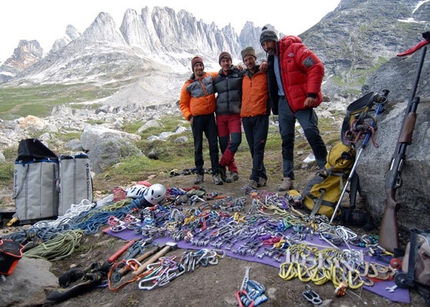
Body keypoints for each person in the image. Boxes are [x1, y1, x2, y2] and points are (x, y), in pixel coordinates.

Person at [260, 27, 327, 191]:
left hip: (302, 101)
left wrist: (312, 93)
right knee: (286, 139)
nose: (267, 46)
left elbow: (316, 66)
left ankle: (326, 168)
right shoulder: (270, 58)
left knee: (311, 132)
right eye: (263, 43)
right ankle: (287, 177)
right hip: (283, 103)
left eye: (269, 41)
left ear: (275, 40)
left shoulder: (294, 49)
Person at [179, 56, 223, 185]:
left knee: (213, 145)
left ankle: (216, 173)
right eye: (196, 66)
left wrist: (236, 67)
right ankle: (199, 173)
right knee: (198, 146)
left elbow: (222, 72)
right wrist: (189, 117)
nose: (199, 67)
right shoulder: (188, 85)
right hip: (196, 119)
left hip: (210, 117)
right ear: (193, 68)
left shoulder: (210, 76)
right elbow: (183, 104)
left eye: (200, 65)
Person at [240, 46, 271, 189]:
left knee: (258, 147)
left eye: (250, 59)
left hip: (261, 115)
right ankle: (262, 175)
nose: (248, 62)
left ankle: (253, 178)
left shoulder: (264, 72)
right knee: (253, 148)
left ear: (255, 59)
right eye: (246, 60)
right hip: (246, 116)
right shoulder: (243, 75)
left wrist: (266, 62)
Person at [213, 52, 244, 183]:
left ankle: (221, 165)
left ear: (231, 61)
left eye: (228, 60)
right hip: (220, 116)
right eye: (223, 61)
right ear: (220, 63)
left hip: (235, 115)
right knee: (224, 144)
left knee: (236, 140)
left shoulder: (239, 74)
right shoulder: (216, 78)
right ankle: (233, 171)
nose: (226, 63)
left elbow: (250, 71)